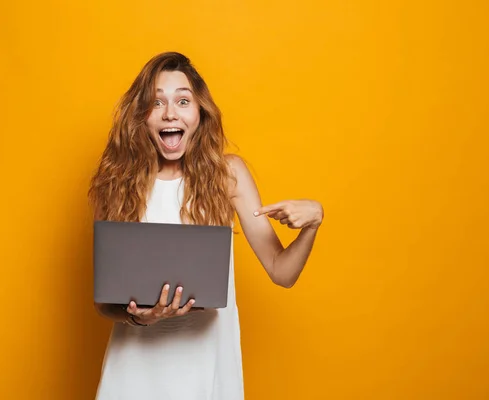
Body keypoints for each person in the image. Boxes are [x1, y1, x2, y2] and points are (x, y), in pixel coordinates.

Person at [89, 52, 324, 400]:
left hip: (206, 367)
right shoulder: (119, 182)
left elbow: (282, 272)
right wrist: (142, 317)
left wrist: (313, 223)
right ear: (141, 116)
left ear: (199, 112)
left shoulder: (228, 175)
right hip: (134, 369)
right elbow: (104, 302)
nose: (171, 113)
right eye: (157, 103)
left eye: (183, 101)